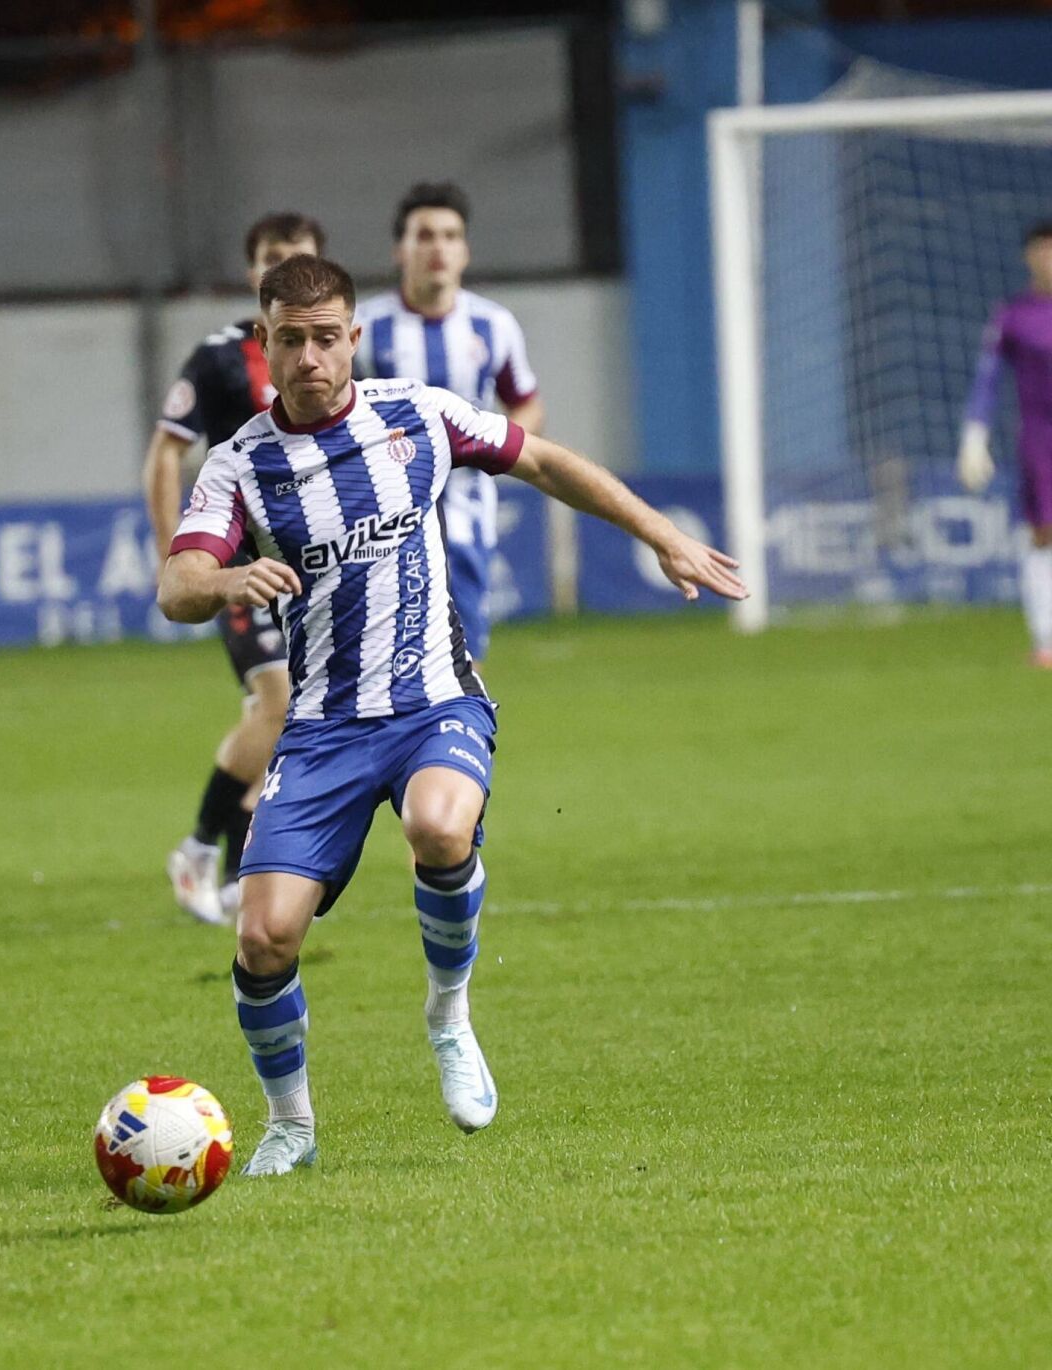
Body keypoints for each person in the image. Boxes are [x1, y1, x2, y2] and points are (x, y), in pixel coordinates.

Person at [158, 254, 744, 1175]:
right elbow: (178, 583)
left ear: (352, 338)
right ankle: (293, 1127)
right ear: (264, 346)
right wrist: (227, 576)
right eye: (289, 341)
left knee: (439, 825)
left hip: (435, 701)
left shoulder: (418, 413)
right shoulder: (240, 465)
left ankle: (449, 1012)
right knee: (265, 936)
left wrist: (664, 535)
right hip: (319, 730)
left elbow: (544, 460)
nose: (309, 357)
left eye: (325, 338)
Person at [143, 211, 323, 924]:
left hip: (315, 573)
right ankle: (200, 849)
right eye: (273, 257)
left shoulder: (338, 355)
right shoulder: (220, 357)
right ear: (252, 272)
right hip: (243, 569)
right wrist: (179, 559)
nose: (283, 267)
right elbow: (164, 453)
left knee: (288, 719)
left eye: (298, 256)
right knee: (278, 704)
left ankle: (234, 868)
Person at [353, 182, 542, 664]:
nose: (439, 247)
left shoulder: (493, 325)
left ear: (465, 250)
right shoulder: (364, 328)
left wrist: (501, 449)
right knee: (374, 657)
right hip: (377, 516)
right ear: (401, 250)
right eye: (425, 235)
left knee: (461, 655)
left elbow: (526, 404)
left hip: (465, 510)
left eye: (450, 235)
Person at [958, 219, 1052, 667]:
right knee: (1042, 534)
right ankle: (1047, 640)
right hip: (1040, 438)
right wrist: (975, 436)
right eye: (1043, 250)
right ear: (1028, 257)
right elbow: (988, 379)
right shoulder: (1014, 314)